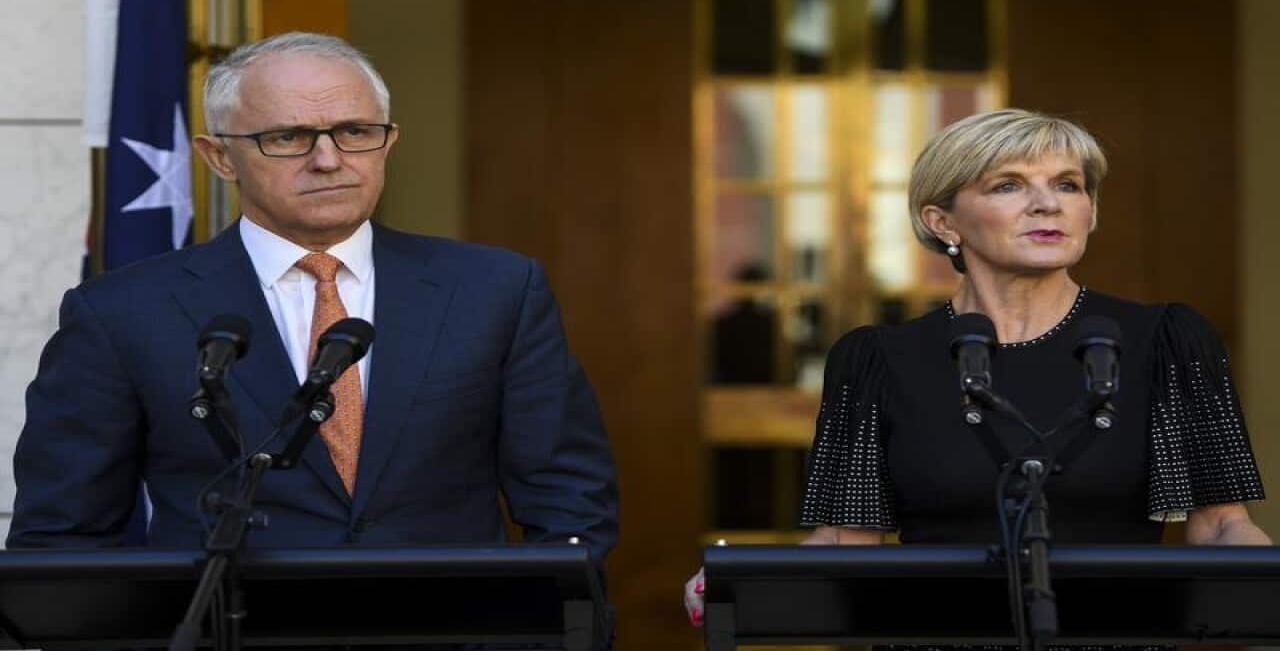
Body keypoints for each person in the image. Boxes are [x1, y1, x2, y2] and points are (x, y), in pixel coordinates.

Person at [8, 32, 619, 566]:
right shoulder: (122, 312)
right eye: (289, 137)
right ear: (220, 156)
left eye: (355, 131)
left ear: (388, 141)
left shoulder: (496, 291)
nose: (328, 160)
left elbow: (570, 501)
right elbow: (65, 538)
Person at [684, 108, 1269, 625]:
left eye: (1068, 184)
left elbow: (1220, 526)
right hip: (938, 641)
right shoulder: (877, 360)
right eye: (1008, 185)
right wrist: (746, 581)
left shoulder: (1164, 340)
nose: (1048, 203)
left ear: (1089, 211)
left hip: (1113, 639)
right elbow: (845, 539)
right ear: (943, 222)